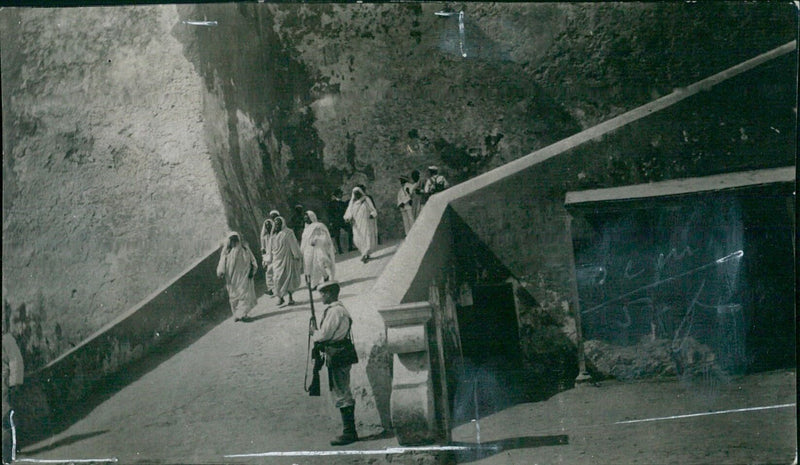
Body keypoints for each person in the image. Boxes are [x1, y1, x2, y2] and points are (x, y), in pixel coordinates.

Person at [310, 281, 358, 446]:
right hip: (340, 352)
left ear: (330, 294)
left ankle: (349, 432)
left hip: (338, 354)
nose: (321, 297)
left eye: (323, 294)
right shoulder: (338, 309)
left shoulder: (335, 311)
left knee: (341, 391)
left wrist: (314, 333)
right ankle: (349, 430)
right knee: (341, 390)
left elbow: (324, 335)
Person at [216, 231, 258, 322]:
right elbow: (221, 263)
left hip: (244, 277)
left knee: (245, 295)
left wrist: (253, 270)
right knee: (234, 297)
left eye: (235, 239)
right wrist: (221, 272)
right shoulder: (227, 252)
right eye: (232, 240)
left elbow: (252, 259)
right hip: (232, 279)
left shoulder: (245, 249)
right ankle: (236, 314)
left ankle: (243, 315)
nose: (234, 241)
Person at [2, 310, 24, 464]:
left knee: (4, 420)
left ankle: (7, 456)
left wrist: (14, 382)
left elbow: (15, 360)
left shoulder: (6, 339)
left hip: (3, 385)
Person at [269, 216, 303, 306]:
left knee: (288, 278)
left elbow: (293, 244)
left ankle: (290, 298)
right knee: (277, 279)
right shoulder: (273, 235)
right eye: (275, 224)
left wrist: (296, 255)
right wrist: (270, 258)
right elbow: (271, 248)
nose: (277, 226)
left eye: (278, 224)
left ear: (282, 224)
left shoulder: (288, 233)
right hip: (277, 260)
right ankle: (280, 297)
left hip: (287, 259)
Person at [300, 210, 336, 289]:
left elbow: (324, 236)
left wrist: (316, 240)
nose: (306, 219)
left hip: (317, 248)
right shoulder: (306, 229)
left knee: (318, 266)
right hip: (308, 251)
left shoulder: (318, 226)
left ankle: (317, 282)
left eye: (307, 218)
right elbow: (304, 241)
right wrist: (302, 250)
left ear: (311, 218)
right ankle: (319, 280)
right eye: (305, 218)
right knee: (309, 267)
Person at [344, 186, 378, 263]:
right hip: (356, 224)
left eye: (358, 193)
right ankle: (364, 252)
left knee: (367, 237)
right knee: (357, 239)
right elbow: (348, 212)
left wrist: (372, 214)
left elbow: (373, 209)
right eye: (355, 194)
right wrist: (348, 218)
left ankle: (365, 254)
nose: (357, 195)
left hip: (366, 222)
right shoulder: (352, 203)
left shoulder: (366, 199)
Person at [327, 189, 354, 254]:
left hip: (342, 221)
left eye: (341, 193)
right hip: (335, 221)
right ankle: (339, 249)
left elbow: (346, 208)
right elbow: (329, 213)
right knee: (337, 235)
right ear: (337, 195)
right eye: (340, 194)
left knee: (350, 230)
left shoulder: (342, 203)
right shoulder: (331, 203)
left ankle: (350, 247)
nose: (341, 195)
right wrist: (331, 221)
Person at [260, 218, 275, 296]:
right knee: (268, 272)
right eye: (266, 226)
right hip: (269, 257)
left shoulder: (275, 235)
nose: (268, 227)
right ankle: (271, 289)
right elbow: (263, 248)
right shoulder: (264, 237)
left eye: (269, 225)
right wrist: (264, 259)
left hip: (276, 254)